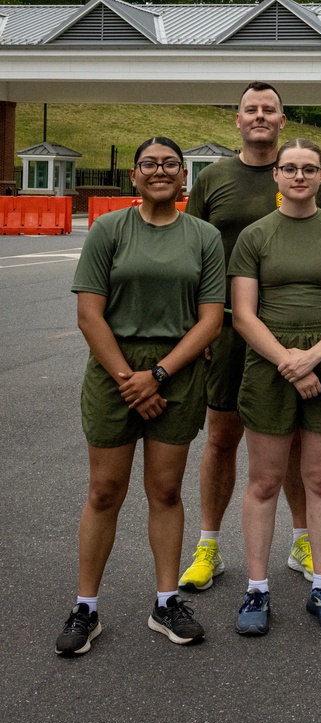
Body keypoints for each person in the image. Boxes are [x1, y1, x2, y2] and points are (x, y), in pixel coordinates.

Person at [56, 137, 225, 656]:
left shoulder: (204, 236)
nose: (159, 170)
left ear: (183, 178)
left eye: (170, 164)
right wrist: (132, 379)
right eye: (149, 164)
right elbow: (89, 314)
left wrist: (158, 374)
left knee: (166, 490)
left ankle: (166, 601)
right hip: (115, 368)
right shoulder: (108, 230)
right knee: (105, 490)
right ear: (133, 175)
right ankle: (87, 606)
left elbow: (212, 320)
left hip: (176, 369)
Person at [179, 82, 321, 592]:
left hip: (294, 332)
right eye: (252, 109)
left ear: (283, 119)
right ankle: (208, 546)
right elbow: (192, 253)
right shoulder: (214, 179)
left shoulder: (311, 180)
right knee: (222, 437)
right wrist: (195, 326)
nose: (261, 116)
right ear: (238, 119)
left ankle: (302, 539)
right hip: (227, 327)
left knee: (292, 439)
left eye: (270, 109)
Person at [228, 139, 321, 635]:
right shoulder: (255, 236)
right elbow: (242, 313)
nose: (299, 176)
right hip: (270, 361)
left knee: (320, 479)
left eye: (309, 169)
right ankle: (257, 590)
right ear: (277, 176)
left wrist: (313, 357)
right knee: (264, 480)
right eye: (290, 168)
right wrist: (288, 360)